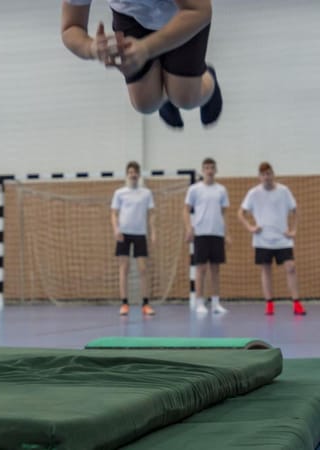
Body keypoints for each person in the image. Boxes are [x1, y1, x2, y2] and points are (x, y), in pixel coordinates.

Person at [60, 0, 222, 129]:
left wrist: (146, 48)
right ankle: (166, 93)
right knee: (145, 104)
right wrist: (90, 48)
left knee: (185, 99)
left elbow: (200, 11)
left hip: (183, 15)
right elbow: (71, 27)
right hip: (131, 17)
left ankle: (207, 77)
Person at [238, 162, 305, 316]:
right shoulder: (253, 193)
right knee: (266, 270)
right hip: (263, 240)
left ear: (273, 174)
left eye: (269, 174)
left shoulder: (284, 191)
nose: (266, 177)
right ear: (259, 177)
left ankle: (296, 303)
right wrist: (250, 227)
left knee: (290, 267)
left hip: (283, 239)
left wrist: (294, 229)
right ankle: (269, 303)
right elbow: (240, 213)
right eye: (263, 175)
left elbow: (296, 210)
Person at [184, 158, 228, 315]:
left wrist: (226, 233)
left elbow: (223, 213)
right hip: (201, 233)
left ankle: (216, 303)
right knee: (201, 269)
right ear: (203, 171)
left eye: (212, 168)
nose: (209, 170)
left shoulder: (221, 190)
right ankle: (199, 303)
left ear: (216, 170)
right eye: (206, 168)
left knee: (215, 269)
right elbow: (186, 210)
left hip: (217, 233)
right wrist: (189, 228)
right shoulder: (194, 189)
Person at [112, 161, 157, 315]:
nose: (133, 175)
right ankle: (124, 303)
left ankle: (145, 304)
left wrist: (153, 232)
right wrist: (116, 229)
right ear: (127, 174)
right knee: (124, 268)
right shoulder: (119, 193)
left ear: (139, 174)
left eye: (135, 172)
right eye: (130, 172)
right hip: (123, 234)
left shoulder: (146, 193)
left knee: (143, 269)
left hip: (140, 234)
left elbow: (152, 213)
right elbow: (114, 213)